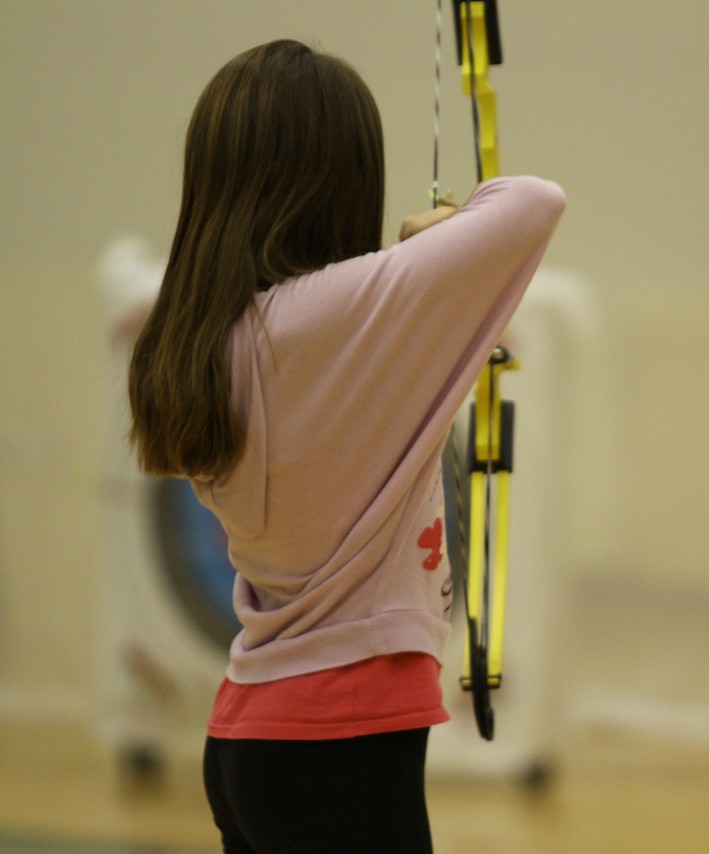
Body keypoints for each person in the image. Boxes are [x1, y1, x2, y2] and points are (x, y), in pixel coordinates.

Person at [128, 39, 565, 853]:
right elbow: (535, 201)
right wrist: (436, 236)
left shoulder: (205, 337)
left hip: (251, 738)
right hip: (341, 746)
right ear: (340, 180)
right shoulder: (331, 319)